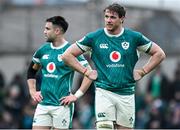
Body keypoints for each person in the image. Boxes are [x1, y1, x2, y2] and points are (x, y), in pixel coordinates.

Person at [61, 3, 166, 129]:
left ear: (122, 19)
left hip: (126, 93)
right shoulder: (94, 37)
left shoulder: (134, 37)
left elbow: (159, 54)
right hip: (104, 92)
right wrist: (85, 71)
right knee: (104, 127)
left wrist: (143, 71)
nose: (108, 20)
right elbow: (67, 55)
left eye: (112, 17)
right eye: (106, 16)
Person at [27, 16, 96, 130]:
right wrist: (32, 91)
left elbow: (90, 74)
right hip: (43, 105)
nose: (44, 32)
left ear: (57, 31)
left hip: (62, 106)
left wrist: (76, 95)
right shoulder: (42, 50)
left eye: (47, 29)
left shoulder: (71, 51)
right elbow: (31, 71)